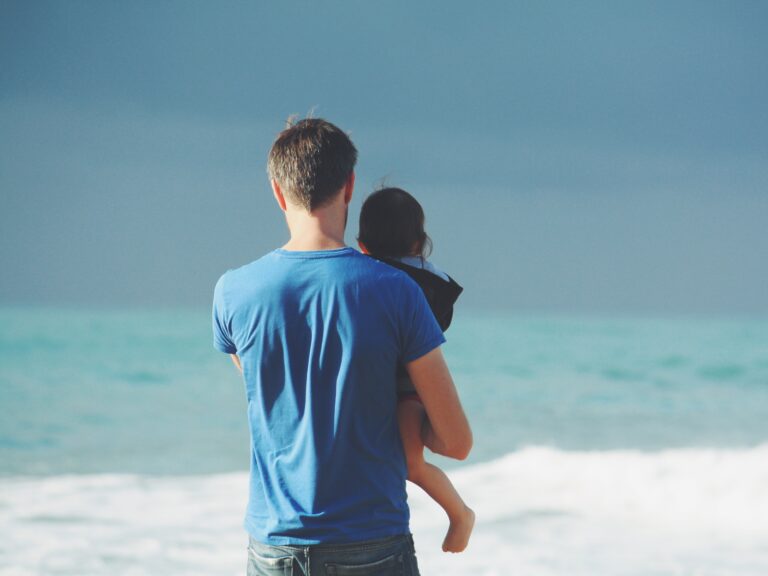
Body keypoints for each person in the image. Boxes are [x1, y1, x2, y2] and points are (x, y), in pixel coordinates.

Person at [212, 118, 472, 576]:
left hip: (275, 547)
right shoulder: (397, 291)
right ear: (349, 186)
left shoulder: (233, 292)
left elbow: (275, 396)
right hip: (371, 543)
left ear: (277, 191)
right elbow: (456, 442)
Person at [357, 187, 475, 553]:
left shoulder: (371, 278)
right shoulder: (431, 279)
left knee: (410, 463)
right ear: (420, 241)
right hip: (409, 390)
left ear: (362, 245)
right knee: (409, 462)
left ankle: (460, 514)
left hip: (409, 391)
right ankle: (458, 513)